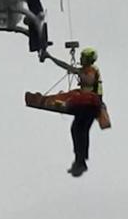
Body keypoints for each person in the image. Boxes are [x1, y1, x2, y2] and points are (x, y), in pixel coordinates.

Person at [43, 47, 103, 177]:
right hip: (91, 106)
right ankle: (80, 160)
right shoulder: (87, 71)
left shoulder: (91, 71)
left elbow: (89, 80)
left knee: (78, 129)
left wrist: (78, 73)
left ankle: (80, 159)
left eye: (82, 58)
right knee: (80, 130)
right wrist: (50, 57)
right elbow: (66, 66)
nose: (80, 60)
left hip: (88, 105)